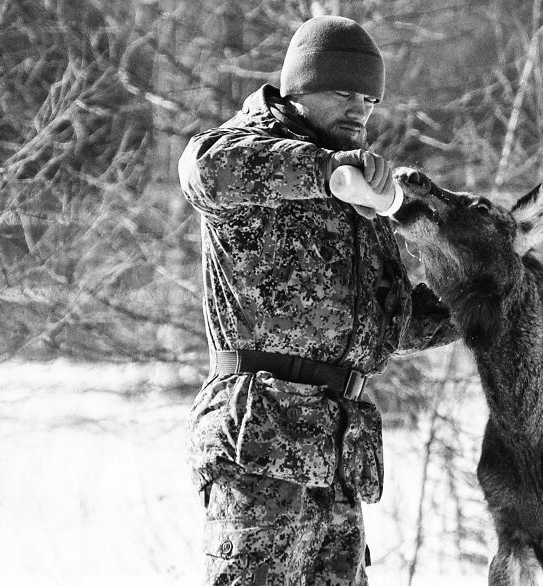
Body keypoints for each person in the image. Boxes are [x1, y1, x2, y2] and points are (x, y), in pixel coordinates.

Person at [178, 15, 457, 586]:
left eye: (369, 99)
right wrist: (329, 172)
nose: (360, 110)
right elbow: (204, 170)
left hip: (338, 458)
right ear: (300, 88)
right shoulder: (246, 151)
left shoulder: (361, 191)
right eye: (344, 93)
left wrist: (482, 302)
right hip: (262, 446)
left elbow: (390, 322)